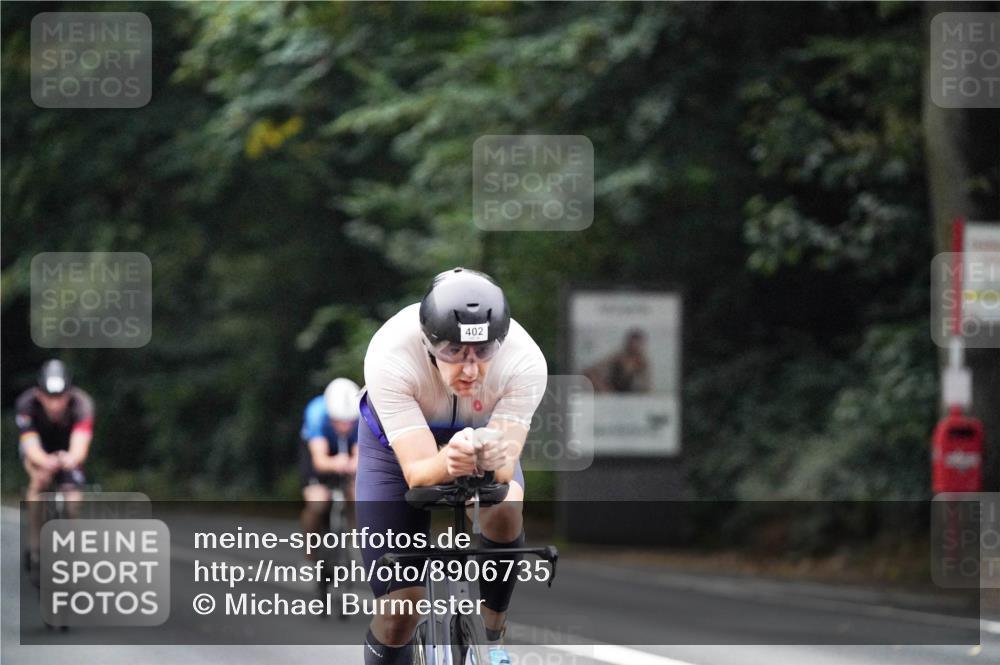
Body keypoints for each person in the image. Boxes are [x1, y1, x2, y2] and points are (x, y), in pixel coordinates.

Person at [357, 267, 547, 665]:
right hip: (396, 450)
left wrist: (495, 459)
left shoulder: (525, 361)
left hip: (482, 439)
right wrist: (446, 459)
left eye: (483, 352)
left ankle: (492, 632)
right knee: (400, 611)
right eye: (454, 353)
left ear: (501, 342)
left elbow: (503, 469)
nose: (470, 369)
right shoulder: (391, 352)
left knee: (507, 507)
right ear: (429, 343)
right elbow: (419, 473)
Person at [16, 360, 94, 574]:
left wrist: (70, 459)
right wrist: (45, 462)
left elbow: (80, 446)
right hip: (39, 449)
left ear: (68, 394)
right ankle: (35, 545)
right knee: (39, 481)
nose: (55, 404)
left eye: (60, 397)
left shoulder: (82, 404)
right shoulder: (26, 404)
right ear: (40, 394)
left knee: (73, 495)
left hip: (67, 449)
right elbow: (30, 446)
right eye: (49, 397)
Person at [299, 378, 361, 552]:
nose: (345, 426)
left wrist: (353, 464)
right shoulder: (316, 413)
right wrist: (335, 463)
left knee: (357, 494)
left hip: (346, 449)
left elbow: (360, 454)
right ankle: (310, 556)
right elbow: (320, 461)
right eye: (339, 421)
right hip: (318, 449)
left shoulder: (361, 413)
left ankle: (355, 544)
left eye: (350, 421)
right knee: (317, 501)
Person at [582, 327, 651, 393]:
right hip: (610, 392)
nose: (634, 347)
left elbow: (645, 387)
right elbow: (592, 369)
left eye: (637, 344)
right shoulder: (618, 356)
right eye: (632, 344)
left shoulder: (643, 362)